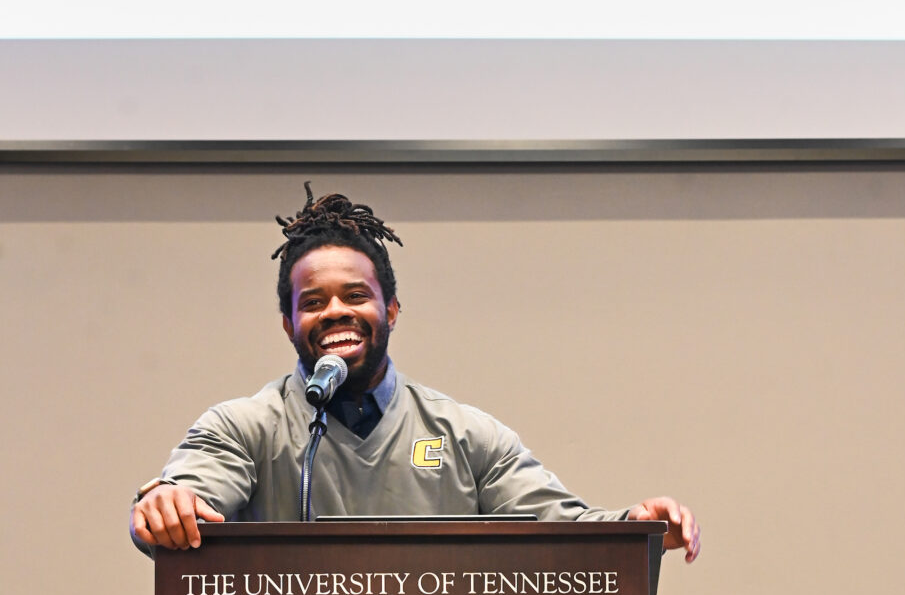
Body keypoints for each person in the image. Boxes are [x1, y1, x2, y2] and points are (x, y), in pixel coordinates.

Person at [131, 187, 701, 561]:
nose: (336, 312)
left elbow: (559, 523)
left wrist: (633, 525)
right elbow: (189, 494)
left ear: (392, 310)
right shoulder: (242, 427)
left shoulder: (467, 436)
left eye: (356, 295)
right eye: (314, 302)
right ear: (288, 324)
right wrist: (167, 504)